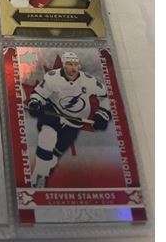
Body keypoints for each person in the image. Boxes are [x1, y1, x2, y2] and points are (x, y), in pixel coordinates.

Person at [25, 52, 112, 187]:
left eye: (75, 65)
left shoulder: (89, 81)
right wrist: (35, 103)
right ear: (63, 66)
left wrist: (103, 114)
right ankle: (40, 175)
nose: (73, 68)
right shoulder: (52, 78)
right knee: (47, 136)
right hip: (54, 112)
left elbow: (105, 97)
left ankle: (47, 167)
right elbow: (39, 94)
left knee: (54, 157)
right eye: (69, 64)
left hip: (75, 120)